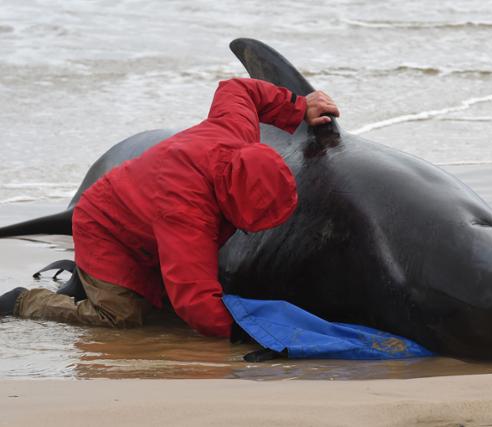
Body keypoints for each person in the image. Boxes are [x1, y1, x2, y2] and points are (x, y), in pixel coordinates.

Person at [0, 78, 339, 338]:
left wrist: (297, 107)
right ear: (228, 201)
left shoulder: (237, 132)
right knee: (122, 315)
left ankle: (99, 280)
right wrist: (249, 331)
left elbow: (237, 90)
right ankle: (22, 301)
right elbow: (194, 300)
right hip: (105, 228)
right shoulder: (187, 210)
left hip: (142, 211)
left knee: (162, 297)